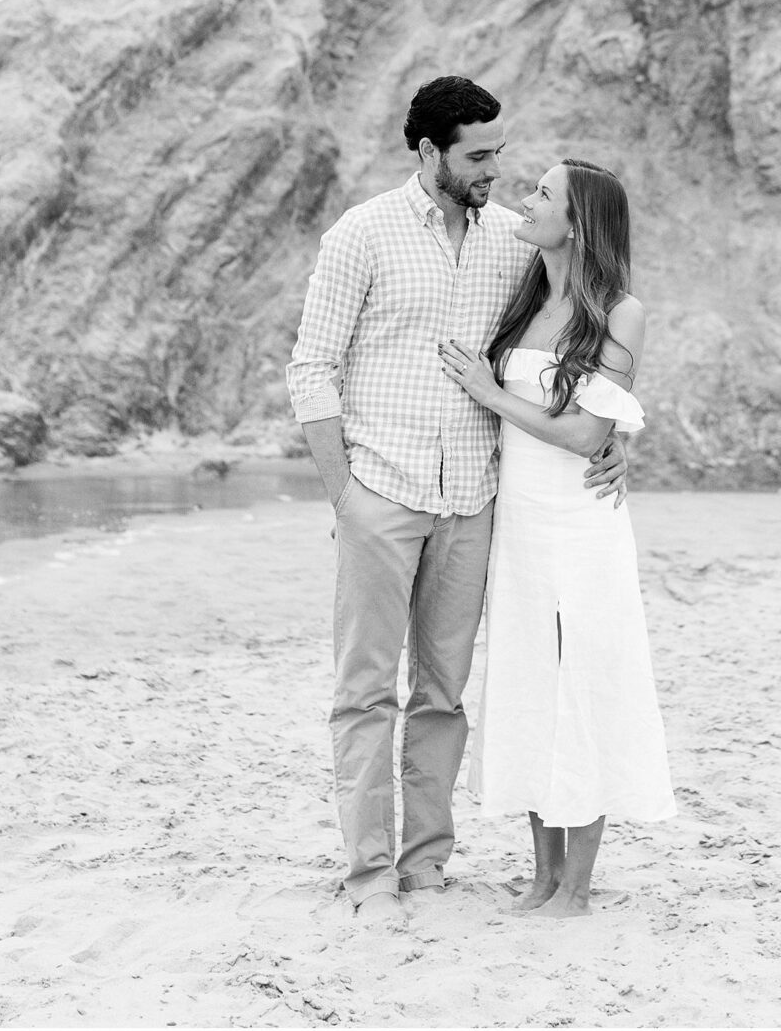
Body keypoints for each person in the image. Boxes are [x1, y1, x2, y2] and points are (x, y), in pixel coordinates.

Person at [286, 77, 628, 922]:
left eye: (498, 155)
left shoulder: (514, 240)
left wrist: (615, 435)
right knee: (364, 693)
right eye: (477, 156)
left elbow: (578, 339)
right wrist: (344, 495)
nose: (493, 171)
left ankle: (426, 861)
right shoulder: (359, 236)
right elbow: (311, 368)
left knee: (443, 694)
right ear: (430, 152)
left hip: (474, 499)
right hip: (382, 491)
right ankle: (369, 872)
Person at [439, 157, 675, 917]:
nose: (525, 200)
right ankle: (541, 875)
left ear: (577, 223)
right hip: (521, 524)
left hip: (580, 525)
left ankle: (575, 886)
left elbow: (583, 434)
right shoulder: (526, 292)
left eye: (543, 193)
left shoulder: (619, 311)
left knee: (583, 689)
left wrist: (486, 392)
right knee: (531, 683)